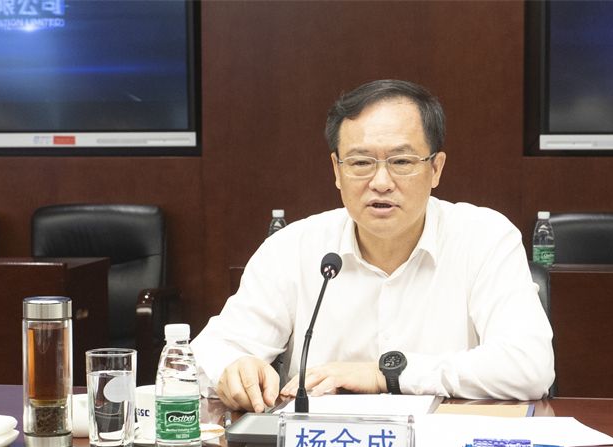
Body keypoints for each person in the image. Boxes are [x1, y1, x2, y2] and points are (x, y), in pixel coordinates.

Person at [191, 79, 554, 412]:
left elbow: (530, 365)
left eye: (401, 161)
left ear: (436, 169)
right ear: (337, 170)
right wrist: (234, 369)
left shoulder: (484, 237)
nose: (381, 182)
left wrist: (385, 375)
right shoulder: (293, 248)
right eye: (361, 162)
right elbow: (205, 357)